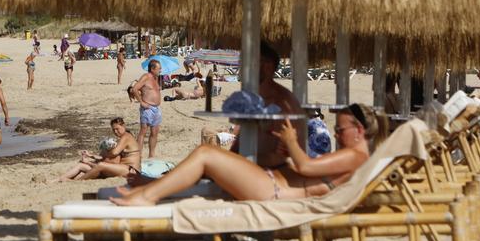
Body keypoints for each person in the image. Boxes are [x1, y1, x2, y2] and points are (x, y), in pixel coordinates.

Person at [113, 104, 378, 206]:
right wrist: (284, 154)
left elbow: (307, 166)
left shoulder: (356, 156)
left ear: (358, 130)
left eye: (340, 129)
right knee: (212, 161)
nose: (336, 133)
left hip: (273, 190)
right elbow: (308, 171)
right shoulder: (354, 157)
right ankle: (152, 187)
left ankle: (148, 196)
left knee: (207, 153)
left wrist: (290, 141)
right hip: (272, 182)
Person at [58, 117, 141, 181]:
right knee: (82, 165)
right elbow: (111, 157)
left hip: (130, 170)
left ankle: (75, 182)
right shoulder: (122, 138)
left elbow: (114, 153)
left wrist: (102, 154)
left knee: (101, 165)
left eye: (117, 129)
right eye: (113, 130)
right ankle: (56, 180)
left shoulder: (126, 136)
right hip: (121, 168)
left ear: (123, 126)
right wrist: (91, 155)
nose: (115, 132)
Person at [130, 59, 162, 157]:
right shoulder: (146, 77)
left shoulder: (156, 78)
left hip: (156, 108)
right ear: (152, 69)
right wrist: (141, 102)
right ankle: (138, 155)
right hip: (147, 108)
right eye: (159, 68)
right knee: (143, 131)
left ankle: (151, 155)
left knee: (155, 132)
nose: (160, 70)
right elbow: (134, 89)